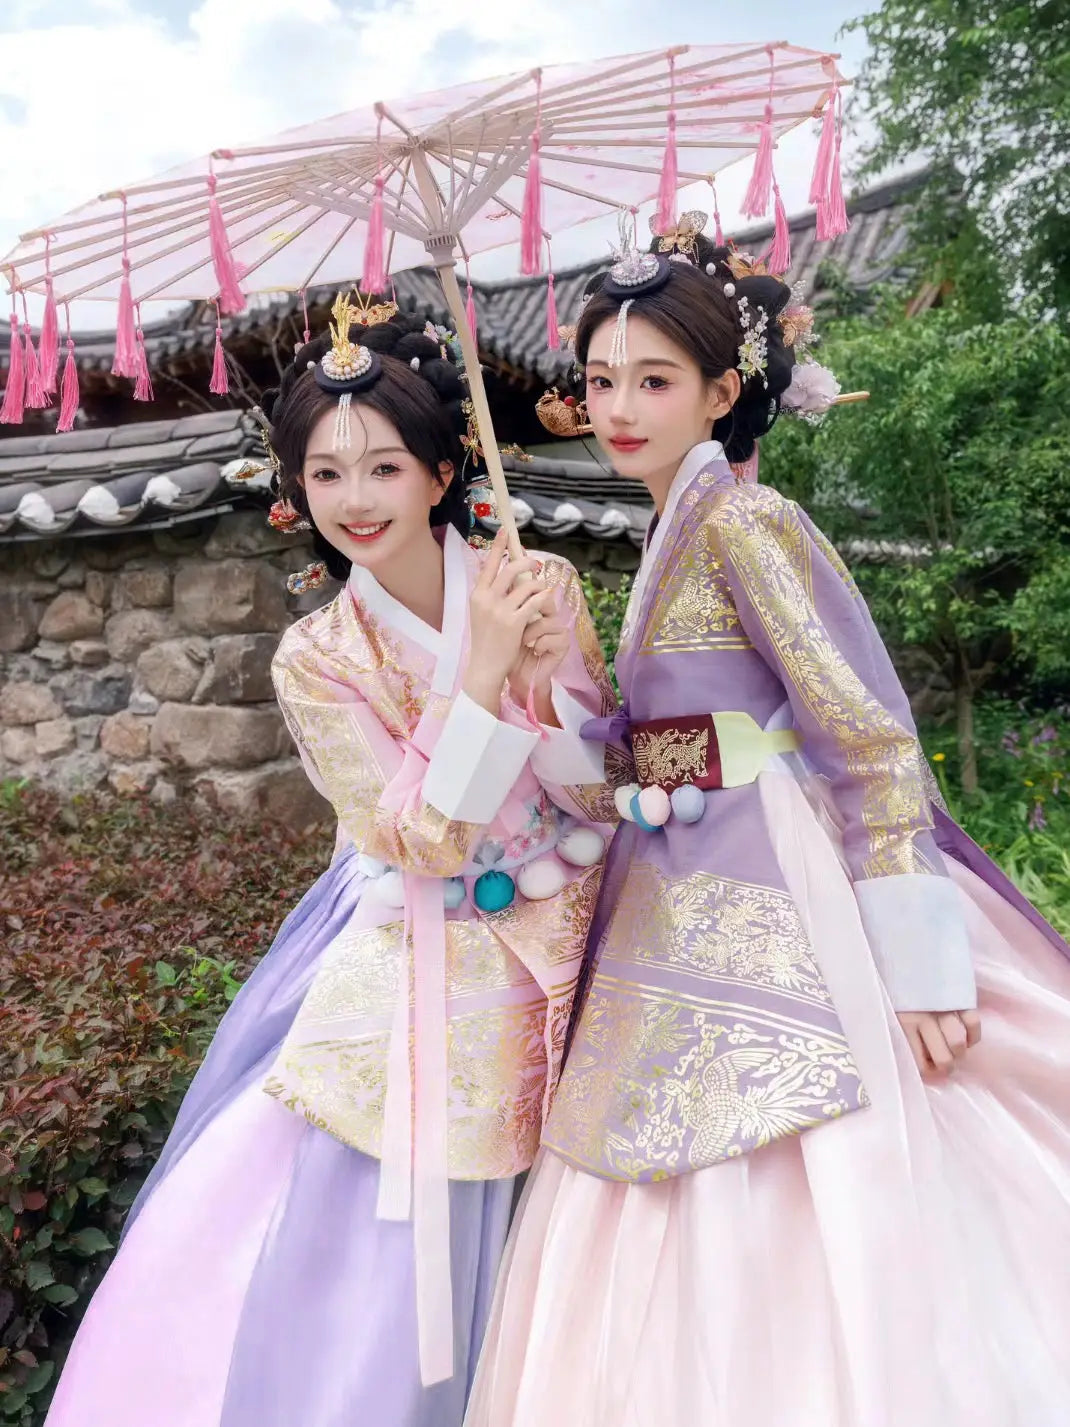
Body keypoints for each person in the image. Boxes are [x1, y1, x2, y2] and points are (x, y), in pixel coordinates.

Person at [465, 226, 1070, 1426]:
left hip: (775, 884)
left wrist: (913, 952)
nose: (620, 407)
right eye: (599, 382)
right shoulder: (661, 533)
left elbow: (864, 732)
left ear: (721, 392)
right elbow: (663, 755)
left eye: (653, 381)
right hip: (673, 881)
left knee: (802, 1157)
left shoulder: (746, 521)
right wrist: (548, 682)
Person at [45, 298, 616, 1427]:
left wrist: (551, 688)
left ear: (445, 466)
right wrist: (478, 674)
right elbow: (411, 835)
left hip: (579, 913)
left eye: (385, 466)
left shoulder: (537, 584)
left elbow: (597, 788)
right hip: (418, 939)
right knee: (389, 1206)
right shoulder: (313, 654)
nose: (354, 500)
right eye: (326, 473)